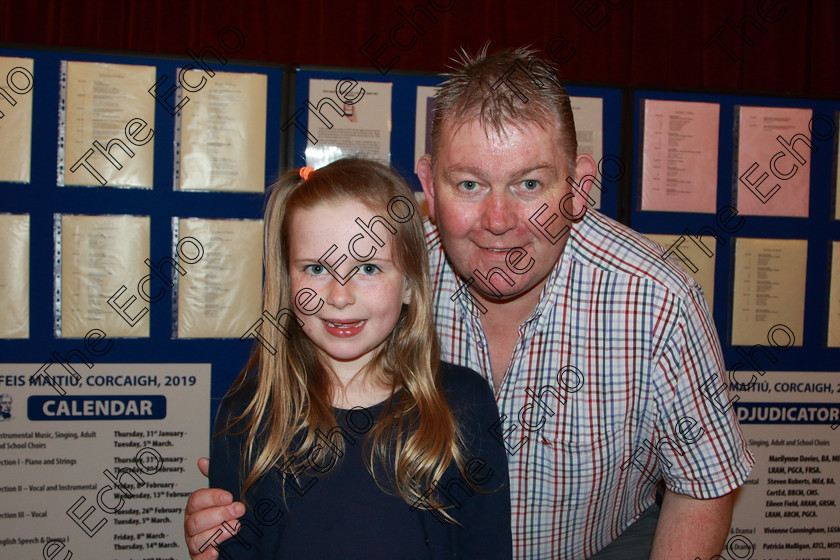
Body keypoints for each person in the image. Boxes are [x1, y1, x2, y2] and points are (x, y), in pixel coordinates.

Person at [185, 47, 753, 560]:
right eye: (470, 185)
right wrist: (228, 524)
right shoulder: (378, 279)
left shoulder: (657, 300)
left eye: (530, 184)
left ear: (578, 187)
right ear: (430, 186)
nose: (498, 223)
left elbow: (704, 481)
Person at [203, 158, 511, 559]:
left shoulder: (463, 403)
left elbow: (486, 547)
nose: (339, 295)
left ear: (409, 285)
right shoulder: (248, 411)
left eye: (367, 267)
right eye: (315, 268)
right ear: (286, 280)